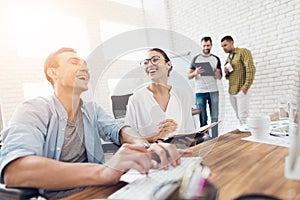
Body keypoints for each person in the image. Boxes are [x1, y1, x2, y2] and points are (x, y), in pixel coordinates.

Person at [0, 48, 186, 199]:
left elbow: (118, 130)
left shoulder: (91, 110)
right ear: (53, 72)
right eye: (75, 63)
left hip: (100, 193)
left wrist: (142, 145)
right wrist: (103, 171)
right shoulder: (33, 109)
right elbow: (16, 171)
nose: (84, 68)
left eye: (85, 65)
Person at [125, 48, 197, 144]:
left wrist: (193, 138)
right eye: (146, 63)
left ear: (168, 64)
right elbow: (129, 139)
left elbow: (190, 134)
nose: (150, 64)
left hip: (183, 155)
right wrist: (154, 138)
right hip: (151, 157)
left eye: (155, 60)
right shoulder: (136, 100)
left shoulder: (182, 95)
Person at [188, 36, 222, 138]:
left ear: (211, 45)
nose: (206, 47)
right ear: (201, 46)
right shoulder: (196, 59)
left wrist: (216, 72)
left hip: (213, 91)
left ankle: (215, 138)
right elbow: (189, 76)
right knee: (203, 118)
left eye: (208, 45)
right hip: (200, 92)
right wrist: (196, 72)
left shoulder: (216, 59)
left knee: (214, 117)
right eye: (204, 45)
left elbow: (219, 77)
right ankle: (205, 138)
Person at [221, 36, 256, 128]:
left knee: (243, 117)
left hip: (241, 89)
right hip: (232, 91)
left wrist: (246, 86)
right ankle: (245, 137)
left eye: (225, 45)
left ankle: (248, 140)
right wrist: (227, 73)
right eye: (222, 46)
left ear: (232, 43)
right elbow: (229, 77)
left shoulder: (243, 52)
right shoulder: (228, 59)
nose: (224, 48)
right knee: (239, 117)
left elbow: (251, 69)